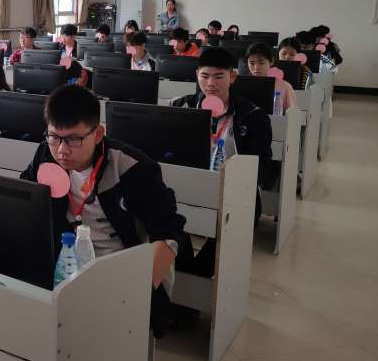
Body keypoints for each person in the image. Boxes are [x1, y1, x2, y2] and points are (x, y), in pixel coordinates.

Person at [20, 85, 186, 338]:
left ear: (98, 134)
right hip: (63, 259)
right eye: (54, 137)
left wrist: (141, 288)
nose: (62, 150)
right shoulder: (46, 154)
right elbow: (26, 198)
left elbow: (169, 230)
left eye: (74, 139)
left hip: (118, 266)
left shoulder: (132, 168)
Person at [171, 47, 273, 277]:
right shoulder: (181, 107)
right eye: (205, 76)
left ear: (232, 77)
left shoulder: (253, 116)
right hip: (188, 188)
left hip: (233, 194)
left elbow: (263, 168)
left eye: (219, 77)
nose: (210, 84)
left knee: (209, 259)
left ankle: (195, 281)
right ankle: (183, 279)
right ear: (196, 75)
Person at [246, 42, 296, 112]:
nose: (256, 67)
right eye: (252, 63)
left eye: (261, 63)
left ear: (271, 61)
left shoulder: (285, 87)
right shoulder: (242, 85)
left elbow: (292, 115)